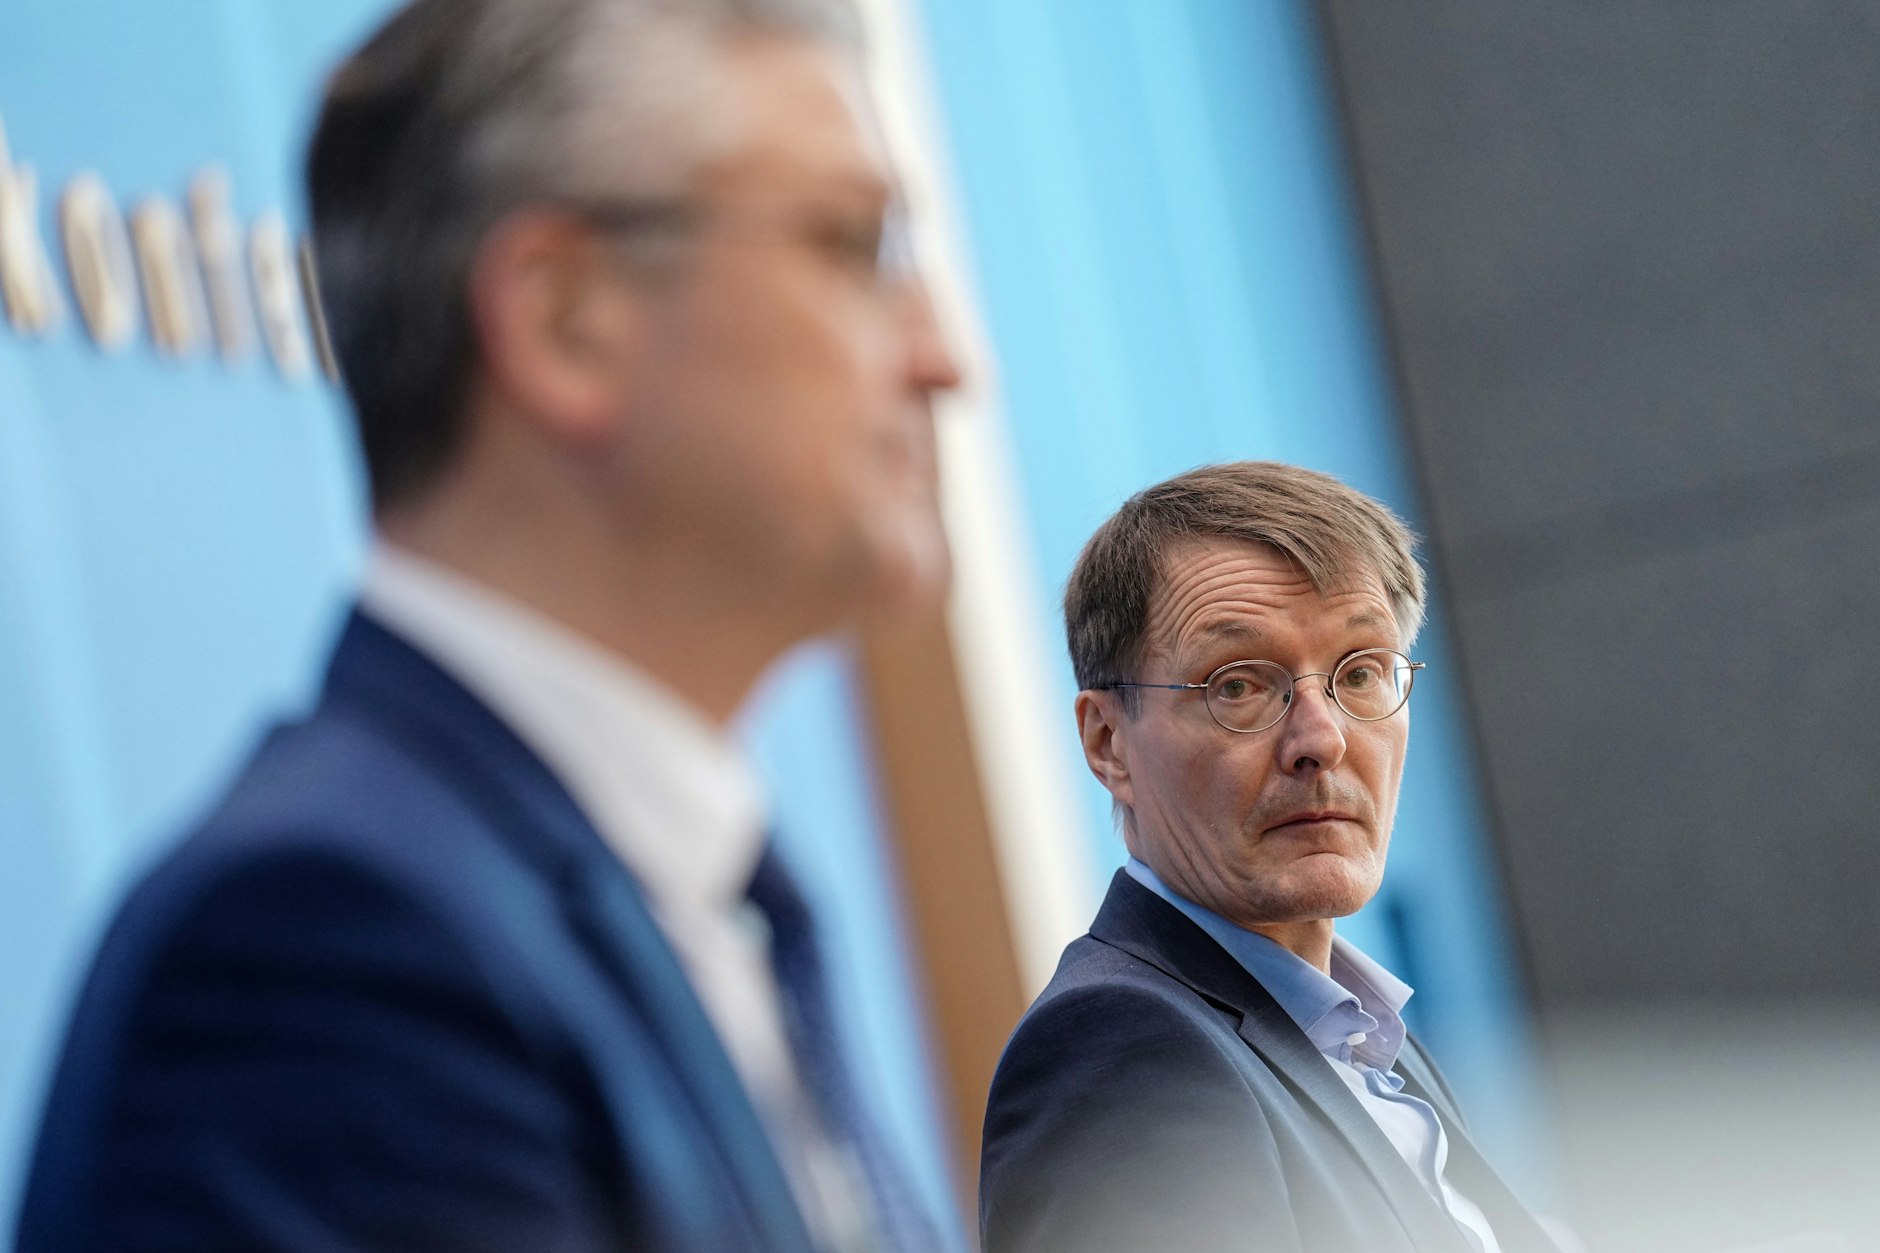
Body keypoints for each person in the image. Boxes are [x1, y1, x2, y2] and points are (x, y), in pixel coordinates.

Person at [16, 0, 960, 1250]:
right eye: (853, 244)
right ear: (564, 319)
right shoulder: (326, 956)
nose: (942, 356)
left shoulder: (712, 898)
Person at [979, 462, 1559, 1253]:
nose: (1322, 739)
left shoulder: (1359, 1036)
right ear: (1108, 742)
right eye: (1240, 684)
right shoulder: (1125, 1051)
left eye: (1360, 672)